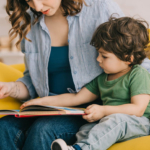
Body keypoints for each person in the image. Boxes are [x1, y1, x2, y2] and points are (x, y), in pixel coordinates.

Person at [0, 0, 149, 149]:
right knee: (4, 127)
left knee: (44, 129)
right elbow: (34, 79)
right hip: (56, 105)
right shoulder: (28, 19)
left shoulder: (99, 7)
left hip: (95, 109)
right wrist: (16, 90)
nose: (37, 7)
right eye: (29, 0)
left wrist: (104, 110)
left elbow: (132, 53)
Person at [50, 17, 150, 150]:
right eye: (98, 54)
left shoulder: (138, 74)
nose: (98, 59)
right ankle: (76, 147)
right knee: (86, 129)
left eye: (104, 56)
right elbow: (76, 98)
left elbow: (138, 109)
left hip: (138, 123)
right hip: (109, 121)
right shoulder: (102, 78)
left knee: (115, 121)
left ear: (128, 58)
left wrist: (103, 110)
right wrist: (38, 103)